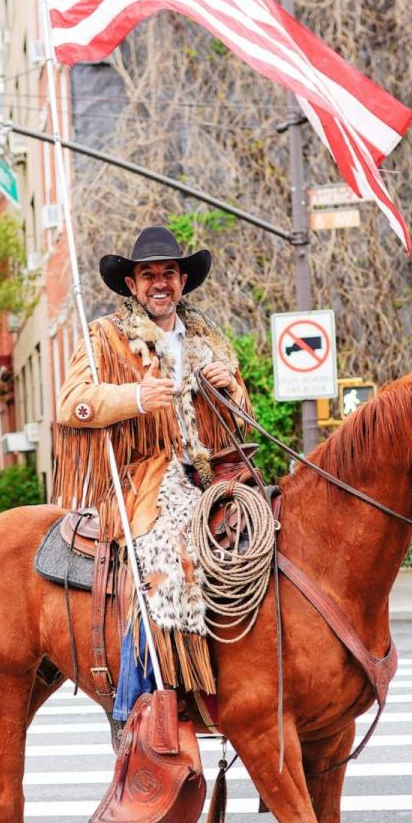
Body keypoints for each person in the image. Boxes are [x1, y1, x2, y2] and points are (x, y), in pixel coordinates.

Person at [54, 225, 252, 718]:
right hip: (144, 480)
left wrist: (231, 389)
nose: (159, 283)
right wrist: (135, 399)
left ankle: (253, 674)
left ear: (183, 280)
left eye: (169, 273)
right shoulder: (107, 337)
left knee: (271, 531)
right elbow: (69, 404)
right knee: (166, 558)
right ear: (132, 285)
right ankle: (139, 703)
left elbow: (244, 422)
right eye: (149, 275)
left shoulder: (209, 342)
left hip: (214, 472)